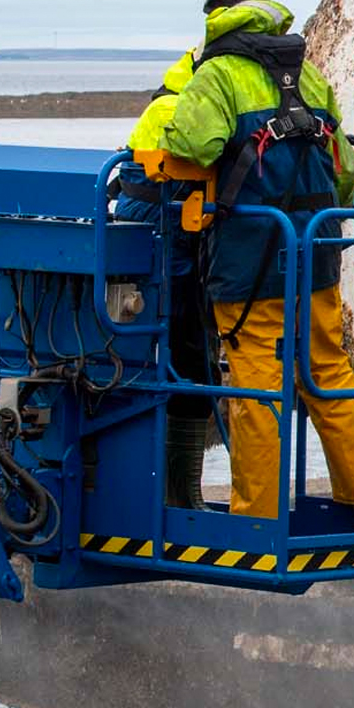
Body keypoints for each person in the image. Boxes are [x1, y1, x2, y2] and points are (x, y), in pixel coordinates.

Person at [159, 0, 354, 523]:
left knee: (257, 388)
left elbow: (195, 147)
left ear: (214, 16)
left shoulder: (218, 74)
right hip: (315, 253)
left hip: (249, 261)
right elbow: (339, 171)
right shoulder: (308, 76)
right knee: (327, 370)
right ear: (267, 10)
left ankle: (256, 516)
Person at [112, 47, 219, 509]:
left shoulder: (166, 104)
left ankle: (165, 490)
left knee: (161, 361)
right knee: (189, 360)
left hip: (150, 242)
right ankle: (179, 494)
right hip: (168, 244)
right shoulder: (184, 111)